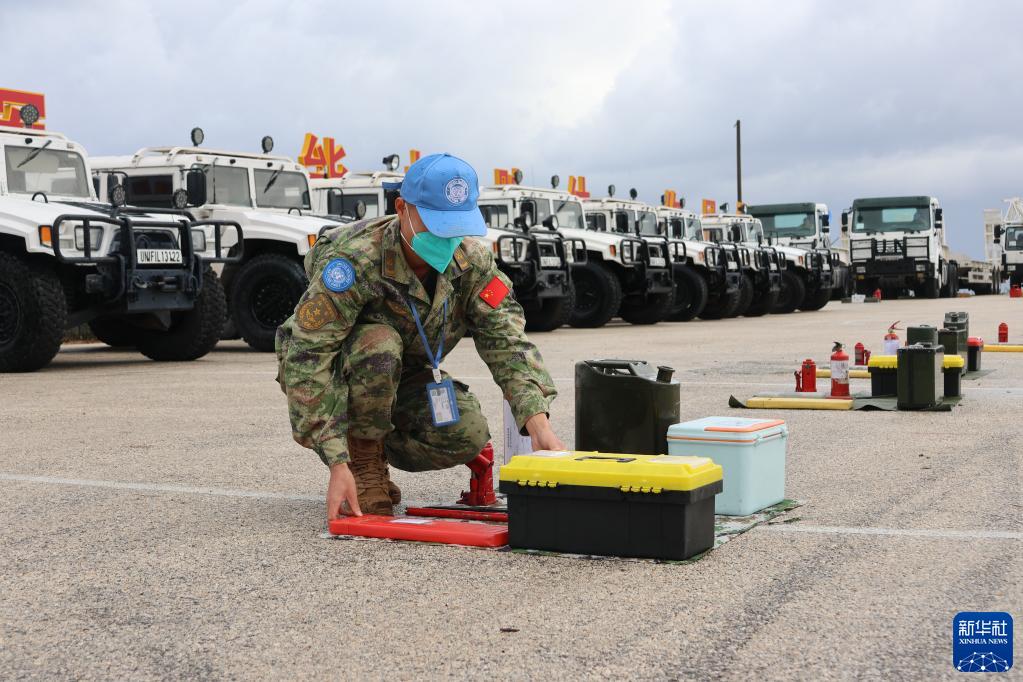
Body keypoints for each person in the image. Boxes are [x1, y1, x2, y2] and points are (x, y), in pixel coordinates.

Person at [276, 153, 565, 519]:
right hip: (345, 372)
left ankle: (376, 447)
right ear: (402, 209)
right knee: (379, 344)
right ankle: (363, 461)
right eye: (436, 225)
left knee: (466, 433)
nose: (446, 238)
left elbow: (506, 340)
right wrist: (337, 460)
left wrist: (538, 424)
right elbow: (308, 353)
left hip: (406, 375)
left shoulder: (471, 263)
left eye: (455, 226)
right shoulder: (355, 260)